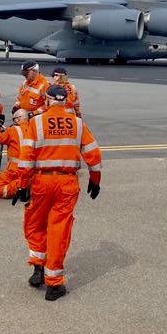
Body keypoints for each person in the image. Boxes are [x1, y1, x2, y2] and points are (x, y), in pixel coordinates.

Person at [14, 84, 102, 301]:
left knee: (35, 224)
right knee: (58, 229)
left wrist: (22, 185)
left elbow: (26, 157)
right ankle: (54, 284)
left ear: (48, 99)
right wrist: (95, 180)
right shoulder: (78, 124)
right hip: (67, 183)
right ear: (66, 100)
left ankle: (38, 269)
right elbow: (93, 153)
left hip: (42, 181)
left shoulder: (37, 122)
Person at [0, 108, 29, 199]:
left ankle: (23, 185)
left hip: (15, 169)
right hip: (31, 169)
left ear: (17, 119)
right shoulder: (34, 129)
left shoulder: (13, 130)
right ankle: (28, 184)